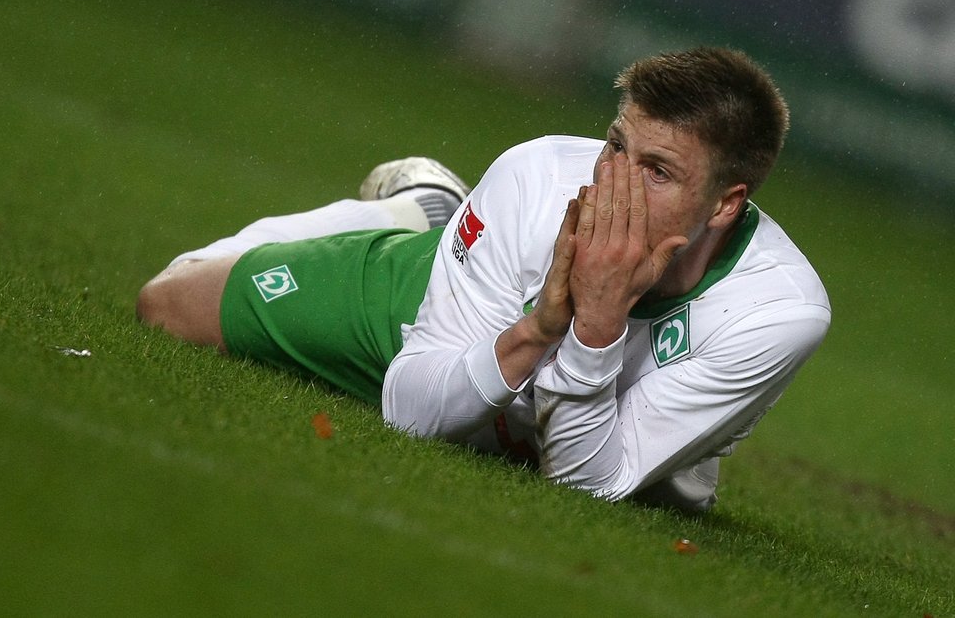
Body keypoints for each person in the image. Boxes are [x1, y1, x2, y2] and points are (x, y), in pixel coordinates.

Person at [137, 47, 831, 511]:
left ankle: (673, 437)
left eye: (657, 171)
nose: (613, 183)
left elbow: (583, 487)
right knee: (168, 305)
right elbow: (409, 411)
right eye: (616, 146)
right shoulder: (536, 180)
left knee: (643, 478)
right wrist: (538, 329)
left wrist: (596, 326)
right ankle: (423, 212)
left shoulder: (774, 312)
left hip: (581, 419)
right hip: (432, 311)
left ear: (725, 204)